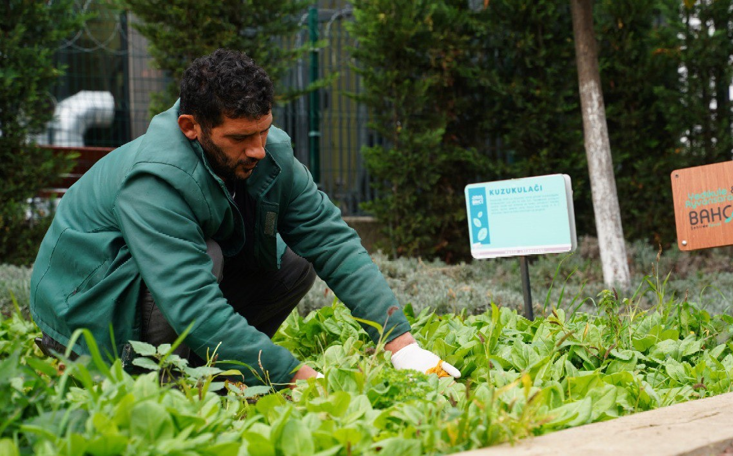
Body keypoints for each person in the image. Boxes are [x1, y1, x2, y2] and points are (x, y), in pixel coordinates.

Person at [30, 49, 460, 388]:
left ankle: (218, 372)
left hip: (152, 296)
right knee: (209, 257)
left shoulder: (270, 153)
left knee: (293, 261)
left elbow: (332, 240)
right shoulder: (156, 180)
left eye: (264, 130)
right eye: (240, 137)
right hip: (85, 321)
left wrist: (403, 346)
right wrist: (294, 376)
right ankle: (160, 380)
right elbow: (192, 300)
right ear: (190, 127)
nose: (257, 148)